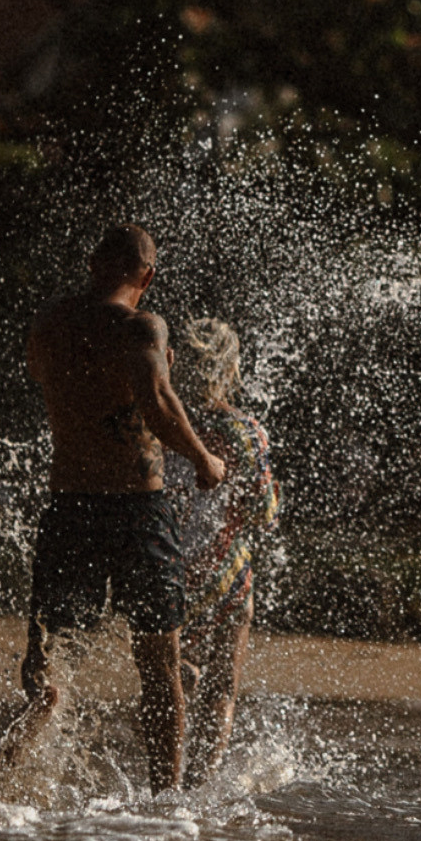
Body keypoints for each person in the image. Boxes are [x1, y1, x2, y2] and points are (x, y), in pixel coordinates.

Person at [20, 223, 227, 793]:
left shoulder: (50, 322)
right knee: (159, 665)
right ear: (148, 277)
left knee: (49, 662)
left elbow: (45, 374)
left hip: (69, 506)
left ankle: (11, 791)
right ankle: (166, 800)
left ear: (92, 265)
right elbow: (157, 401)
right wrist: (205, 460)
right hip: (138, 513)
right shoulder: (142, 326)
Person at [169, 318, 278, 788]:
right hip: (225, 573)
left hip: (168, 565)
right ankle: (199, 791)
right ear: (231, 369)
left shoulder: (159, 420)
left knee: (169, 672)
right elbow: (263, 513)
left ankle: (165, 783)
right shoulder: (245, 430)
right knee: (222, 688)